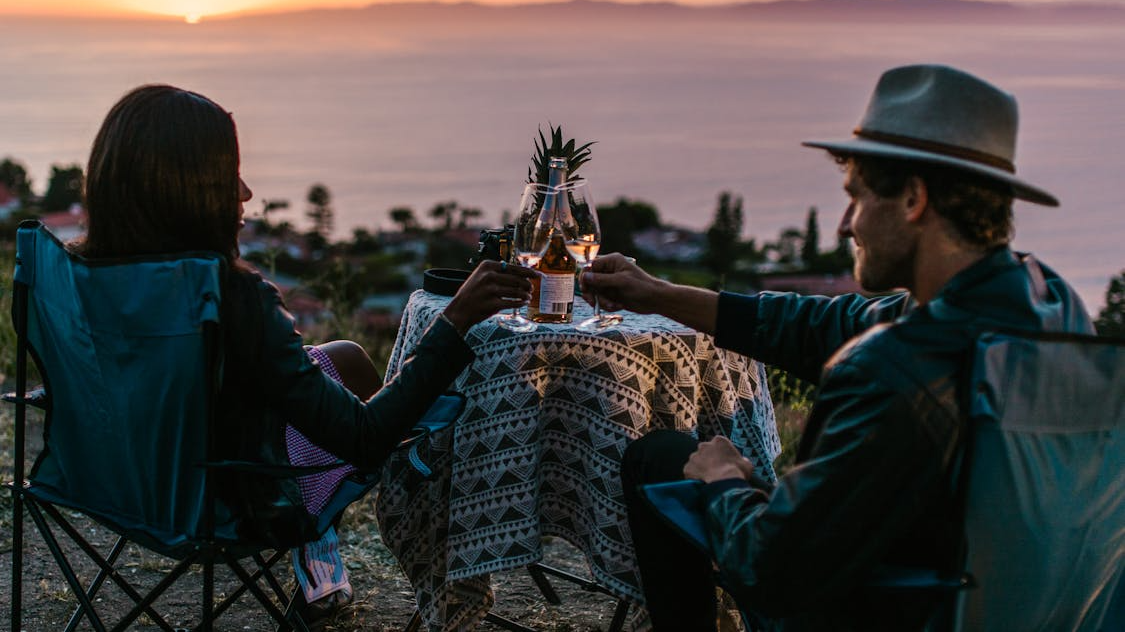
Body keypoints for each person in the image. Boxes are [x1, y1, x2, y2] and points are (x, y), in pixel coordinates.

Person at [580, 64, 1095, 630]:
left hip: (880, 609)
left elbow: (772, 571)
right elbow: (821, 323)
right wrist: (657, 294)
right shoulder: (1047, 302)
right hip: (1008, 600)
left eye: (856, 198)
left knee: (660, 458)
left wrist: (726, 480)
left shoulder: (893, 370)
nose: (846, 226)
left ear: (913, 200)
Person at [77, 83, 534, 618]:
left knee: (345, 358)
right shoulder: (232, 298)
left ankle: (323, 561)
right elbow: (362, 439)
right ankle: (428, 559)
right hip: (228, 496)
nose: (245, 193)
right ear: (186, 189)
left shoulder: (79, 274)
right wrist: (455, 320)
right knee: (393, 421)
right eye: (230, 176)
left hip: (119, 476)